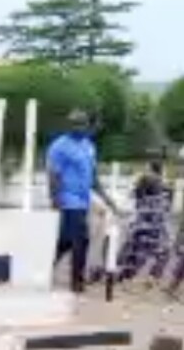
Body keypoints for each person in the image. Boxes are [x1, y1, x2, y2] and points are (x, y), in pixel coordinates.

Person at [46, 111, 117, 294]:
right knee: (81, 239)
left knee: (66, 241)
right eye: (73, 124)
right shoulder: (59, 146)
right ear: (68, 125)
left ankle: (44, 267)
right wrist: (55, 200)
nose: (77, 127)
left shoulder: (89, 146)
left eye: (81, 124)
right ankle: (76, 281)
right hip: (68, 199)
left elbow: (93, 178)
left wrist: (108, 199)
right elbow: (54, 174)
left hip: (83, 199)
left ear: (86, 125)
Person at [116, 162, 173, 289]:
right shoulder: (166, 188)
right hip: (158, 225)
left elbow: (135, 196)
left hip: (145, 222)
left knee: (135, 251)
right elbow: (167, 208)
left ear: (151, 169)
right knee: (163, 251)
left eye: (147, 168)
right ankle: (152, 277)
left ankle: (124, 276)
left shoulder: (145, 179)